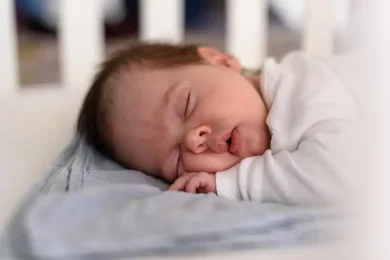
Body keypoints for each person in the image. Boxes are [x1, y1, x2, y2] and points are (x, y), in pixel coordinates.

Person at [76, 43, 360, 205]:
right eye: (176, 161)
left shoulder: (303, 86)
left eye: (187, 104)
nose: (193, 140)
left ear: (220, 61)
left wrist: (233, 183)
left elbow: (347, 174)